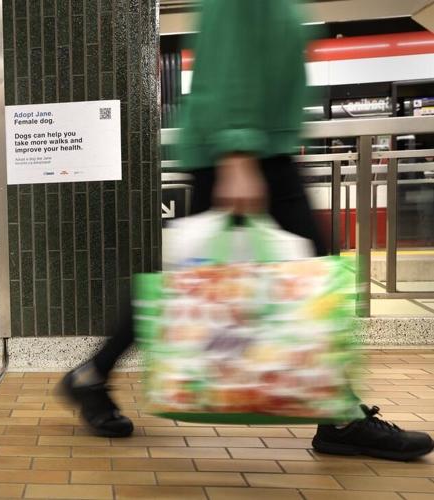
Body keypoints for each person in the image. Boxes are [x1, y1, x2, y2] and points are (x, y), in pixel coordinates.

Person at [60, 0, 434, 461]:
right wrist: (238, 151)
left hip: (258, 147)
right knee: (301, 276)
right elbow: (227, 54)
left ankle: (92, 374)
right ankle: (342, 417)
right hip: (247, 152)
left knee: (199, 282)